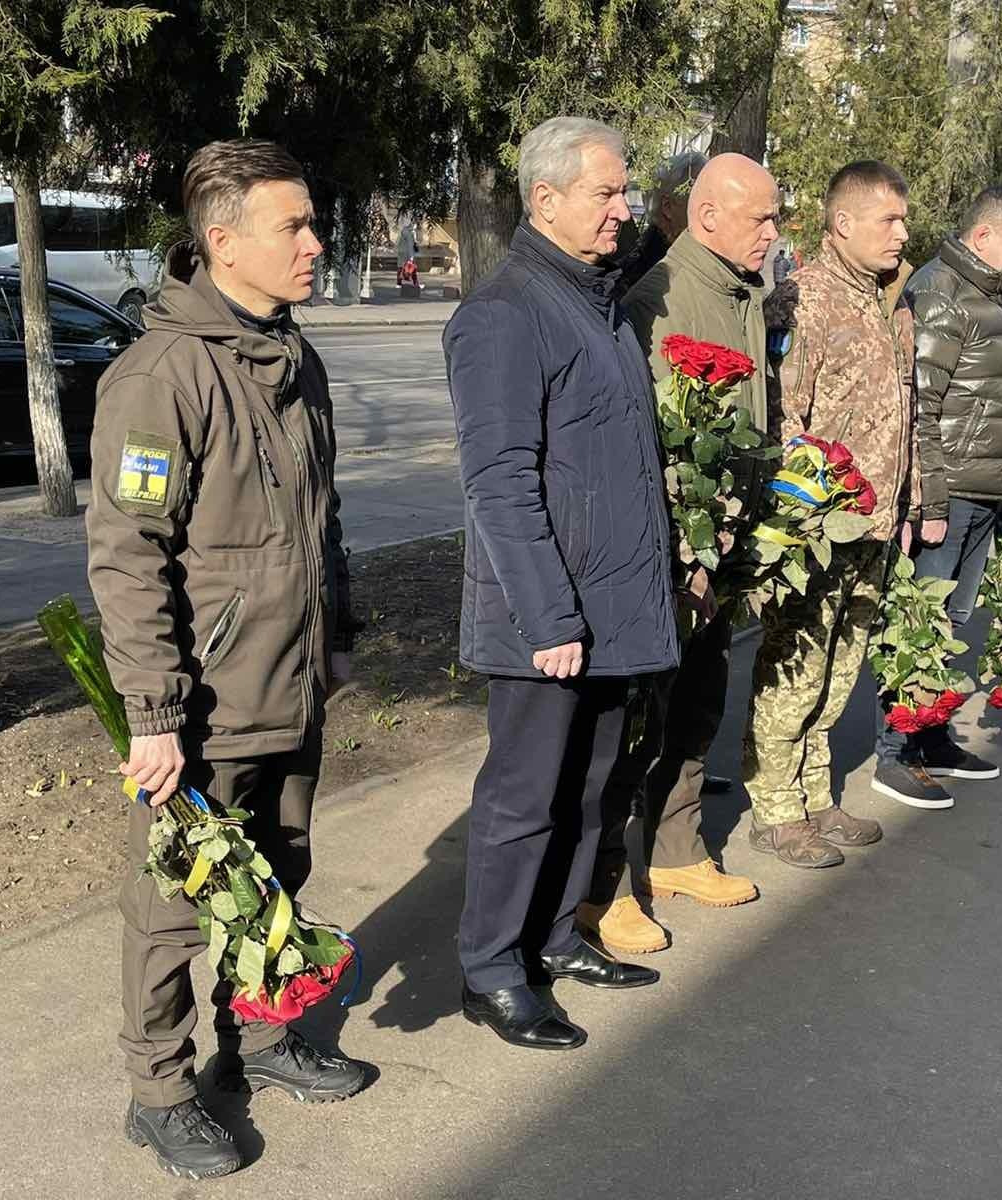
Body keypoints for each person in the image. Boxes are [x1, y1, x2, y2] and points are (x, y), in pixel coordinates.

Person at [87, 140, 363, 1180]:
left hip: (288, 681)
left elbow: (321, 517)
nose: (314, 242)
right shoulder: (161, 376)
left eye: (309, 222)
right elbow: (127, 556)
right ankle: (160, 1091)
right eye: (292, 226)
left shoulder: (295, 355)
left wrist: (335, 636)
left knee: (278, 876)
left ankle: (261, 1039)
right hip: (201, 706)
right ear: (222, 241)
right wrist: (153, 712)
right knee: (170, 912)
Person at [446, 116, 677, 1051]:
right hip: (549, 616)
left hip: (611, 605)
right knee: (523, 799)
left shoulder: (596, 304)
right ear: (544, 201)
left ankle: (553, 936)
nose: (622, 211)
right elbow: (498, 481)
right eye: (606, 194)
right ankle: (492, 969)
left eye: (624, 194)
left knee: (587, 791)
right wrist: (547, 615)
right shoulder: (503, 314)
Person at [581, 153, 778, 954]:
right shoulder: (658, 300)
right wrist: (687, 549)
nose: (772, 232)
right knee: (639, 722)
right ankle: (605, 886)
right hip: (675, 553)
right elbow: (651, 440)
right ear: (707, 218)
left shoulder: (743, 293)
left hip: (728, 545)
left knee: (699, 705)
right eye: (760, 217)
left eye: (774, 216)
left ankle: (676, 854)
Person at [744, 160, 921, 869]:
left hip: (874, 529)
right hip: (821, 532)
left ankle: (815, 798)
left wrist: (901, 506)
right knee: (794, 669)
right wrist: (802, 524)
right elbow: (785, 422)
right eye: (889, 220)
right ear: (843, 223)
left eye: (903, 220)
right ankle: (776, 809)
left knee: (838, 672)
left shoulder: (886, 302)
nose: (902, 234)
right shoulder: (803, 301)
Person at [869, 185, 1002, 811]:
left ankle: (932, 739)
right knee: (921, 620)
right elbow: (922, 404)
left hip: (988, 490)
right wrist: (930, 501)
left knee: (956, 626)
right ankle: (893, 752)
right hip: (951, 491)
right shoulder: (942, 291)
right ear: (985, 236)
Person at [614, 149, 707, 299]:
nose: (711, 211)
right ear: (668, 207)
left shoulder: (709, 260)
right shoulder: (637, 277)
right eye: (700, 197)